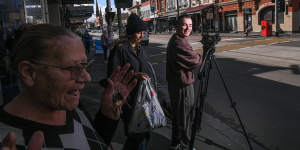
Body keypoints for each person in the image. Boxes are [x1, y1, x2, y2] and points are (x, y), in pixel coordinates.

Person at [0, 24, 137, 150]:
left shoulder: (72, 106)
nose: (87, 78)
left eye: (85, 66)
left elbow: (94, 142)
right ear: (29, 73)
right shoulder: (9, 141)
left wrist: (107, 115)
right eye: (73, 68)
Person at [107, 13, 156, 150]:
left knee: (143, 134)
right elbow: (112, 76)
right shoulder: (120, 50)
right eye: (139, 32)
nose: (142, 35)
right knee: (136, 136)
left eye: (143, 32)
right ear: (131, 33)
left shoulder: (139, 48)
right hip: (129, 101)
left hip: (143, 100)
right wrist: (135, 77)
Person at [166, 14, 202, 150]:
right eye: (185, 24)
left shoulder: (179, 39)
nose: (188, 28)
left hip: (177, 84)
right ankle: (186, 145)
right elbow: (194, 60)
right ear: (177, 26)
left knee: (178, 116)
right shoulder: (178, 42)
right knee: (185, 117)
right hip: (182, 86)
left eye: (191, 25)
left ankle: (175, 143)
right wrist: (200, 55)